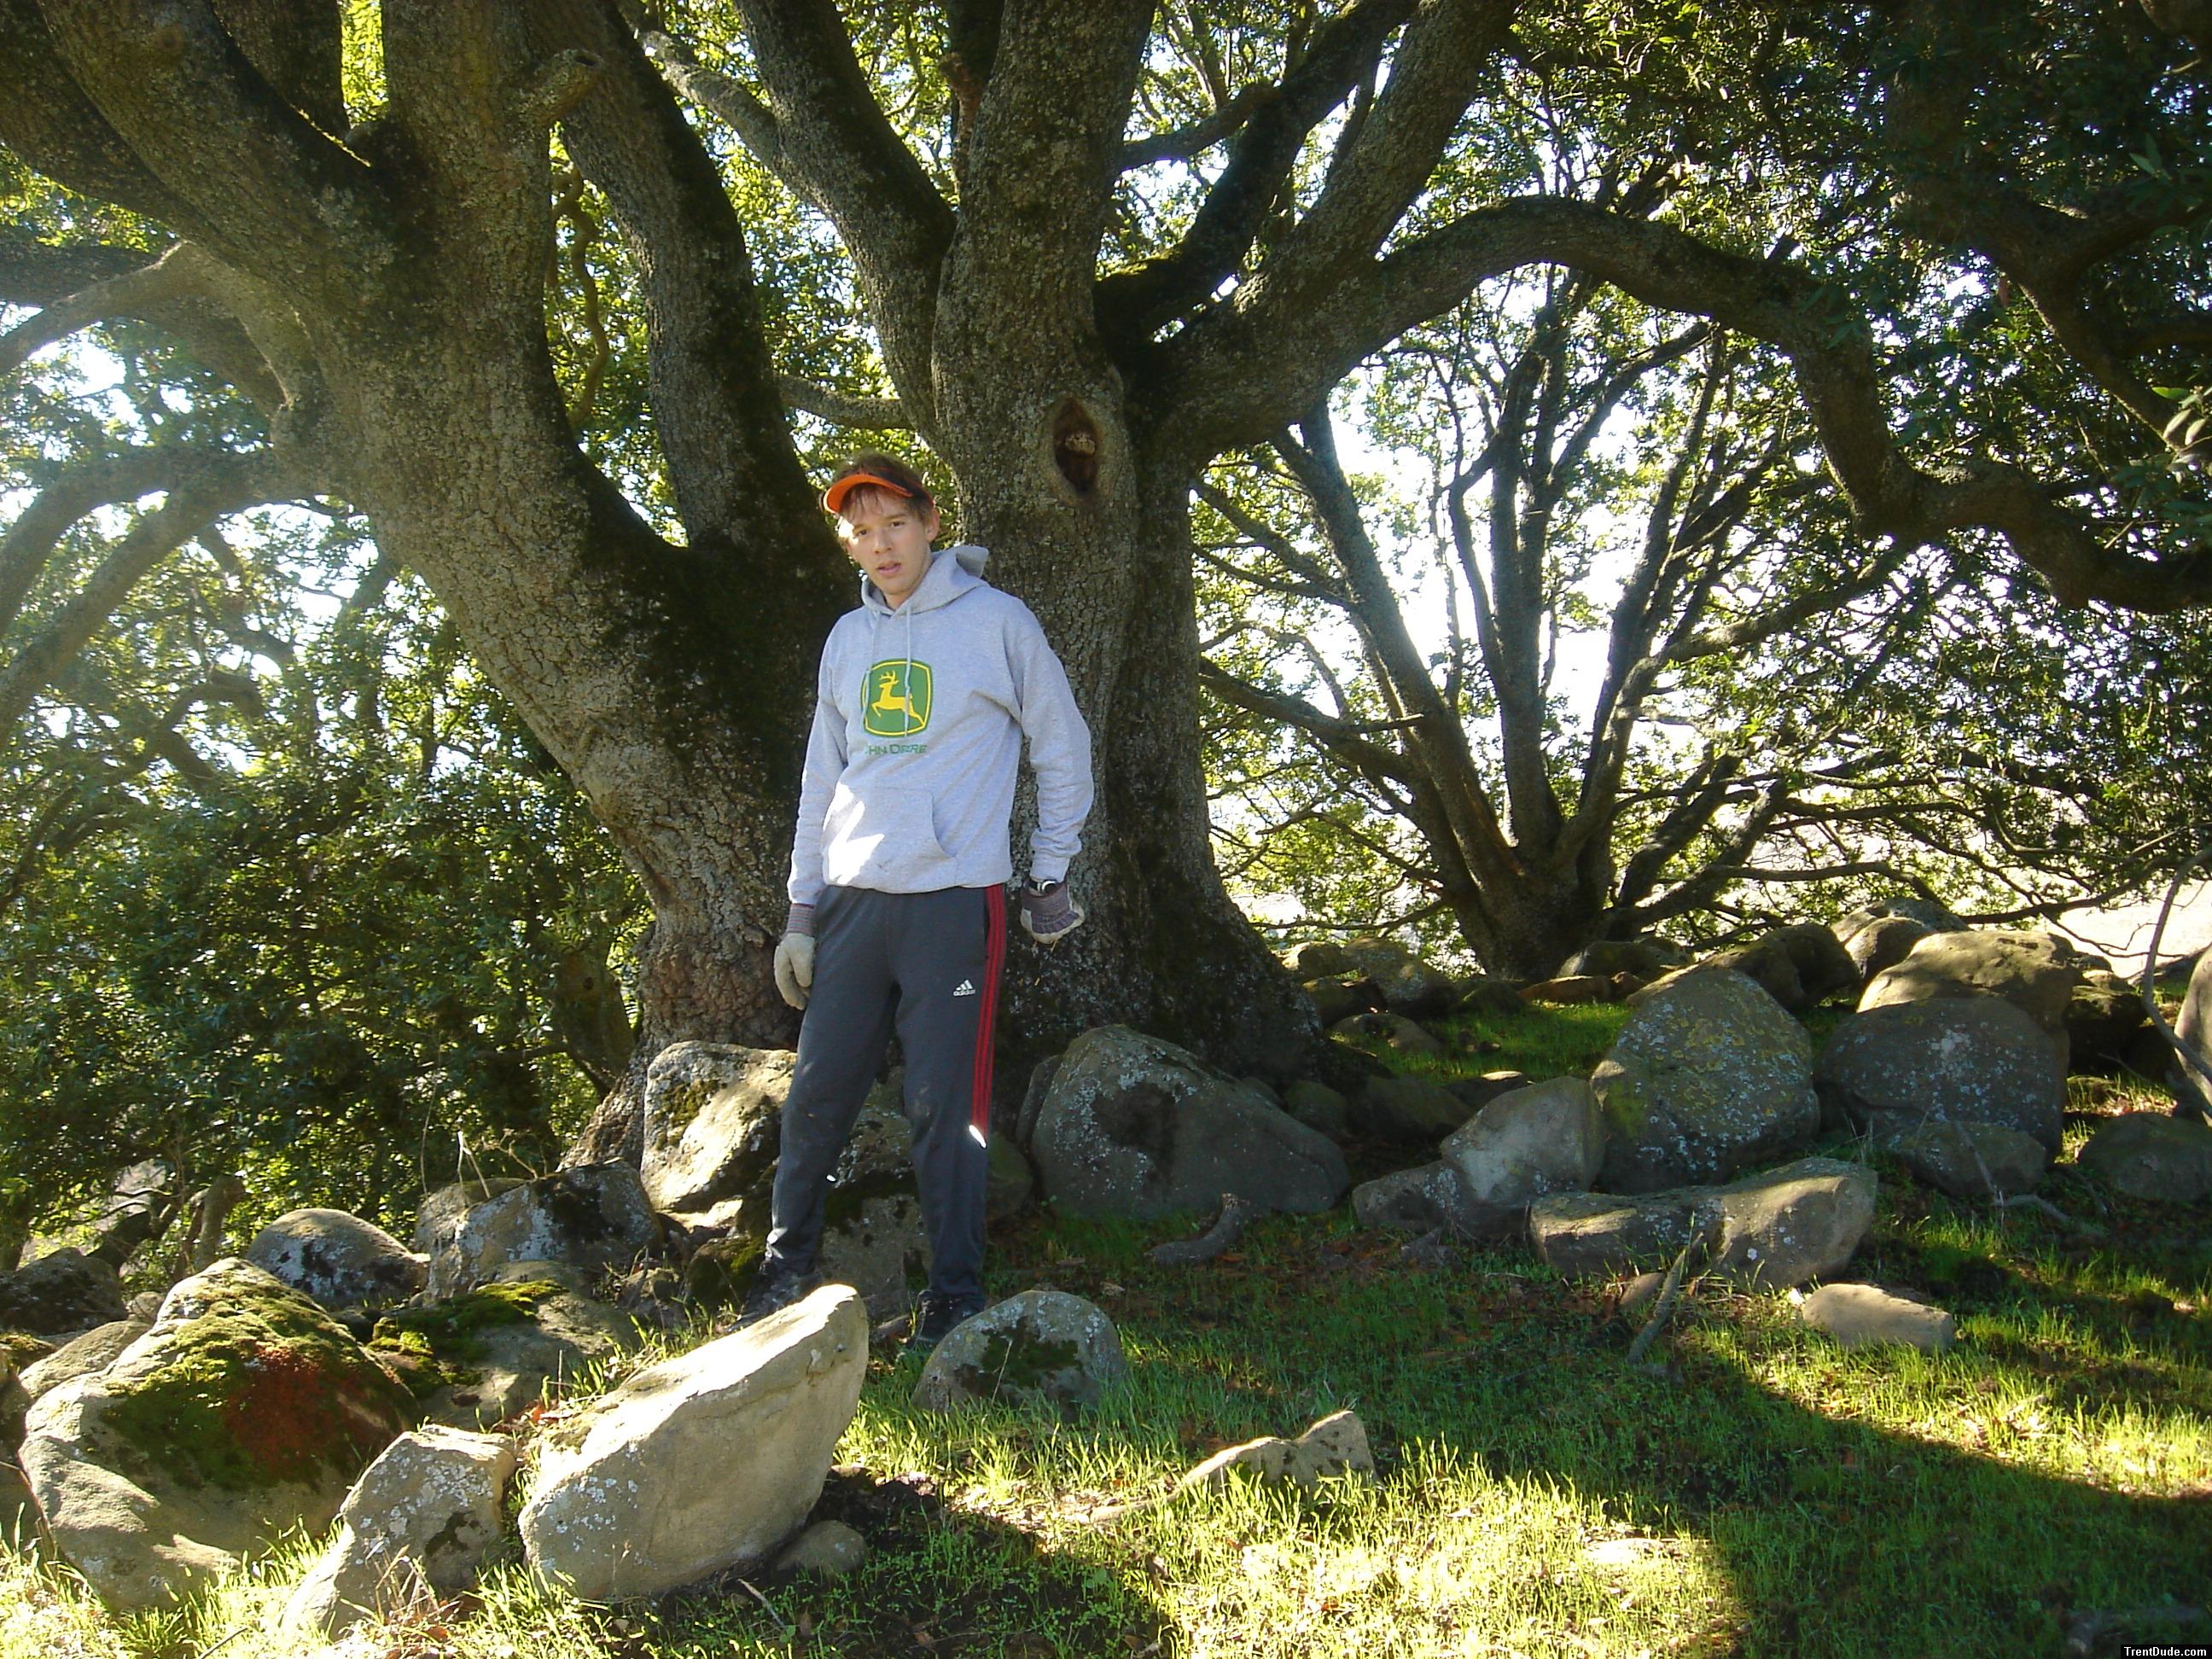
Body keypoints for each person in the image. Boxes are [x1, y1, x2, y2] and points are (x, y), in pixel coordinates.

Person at [743, 452, 1093, 1348]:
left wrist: (1049, 872)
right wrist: (801, 912)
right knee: (817, 1094)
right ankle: (784, 1277)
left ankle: (955, 1294)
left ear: (931, 522)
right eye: (861, 531)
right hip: (855, 905)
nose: (880, 544)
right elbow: (823, 779)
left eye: (894, 523)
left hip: (952, 905)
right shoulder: (846, 640)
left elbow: (1063, 749)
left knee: (947, 1106)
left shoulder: (997, 623)